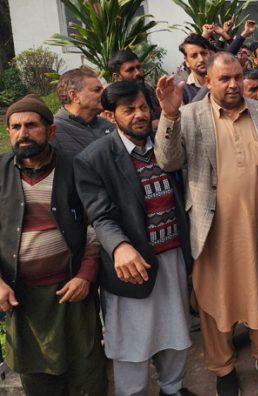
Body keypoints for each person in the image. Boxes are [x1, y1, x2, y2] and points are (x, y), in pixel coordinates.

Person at [154, 51, 258, 396]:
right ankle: (222, 366)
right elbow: (168, 162)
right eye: (223, 79)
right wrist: (168, 115)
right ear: (208, 81)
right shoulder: (189, 115)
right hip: (211, 230)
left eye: (237, 77)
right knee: (213, 301)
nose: (232, 84)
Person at [74, 81, 195, 396]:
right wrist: (120, 246)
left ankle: (173, 388)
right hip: (132, 265)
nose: (139, 115)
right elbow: (100, 215)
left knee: (175, 330)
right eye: (129, 110)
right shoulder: (94, 158)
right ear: (110, 116)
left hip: (173, 256)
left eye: (143, 107)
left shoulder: (164, 145)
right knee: (132, 342)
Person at [0, 95, 107, 396]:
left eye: (32, 125)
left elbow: (96, 225)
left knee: (86, 375)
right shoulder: (1, 173)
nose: (23, 133)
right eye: (15, 126)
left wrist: (86, 274)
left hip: (72, 291)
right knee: (38, 379)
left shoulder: (76, 168)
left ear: (51, 131)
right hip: (23, 299)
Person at [51, 68, 114, 156]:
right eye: (97, 90)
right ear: (74, 95)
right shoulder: (54, 131)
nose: (104, 94)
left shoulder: (106, 124)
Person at [107, 50, 162, 129]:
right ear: (117, 76)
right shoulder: (113, 98)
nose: (138, 73)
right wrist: (151, 125)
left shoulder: (147, 88)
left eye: (138, 67)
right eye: (130, 70)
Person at [179, 34, 214, 104]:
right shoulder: (181, 90)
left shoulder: (223, 82)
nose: (201, 59)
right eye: (194, 56)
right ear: (187, 62)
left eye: (204, 53)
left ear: (210, 54)